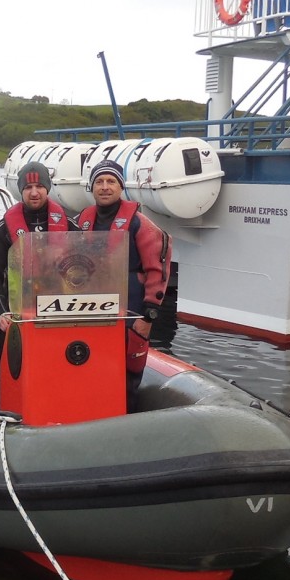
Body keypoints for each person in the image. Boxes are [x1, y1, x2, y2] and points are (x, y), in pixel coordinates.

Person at [78, 159, 172, 409]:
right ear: (92, 187)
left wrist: (148, 316)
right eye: (99, 181)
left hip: (131, 311)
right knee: (92, 365)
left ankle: (125, 417)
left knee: (129, 371)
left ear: (121, 187)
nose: (105, 187)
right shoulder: (81, 222)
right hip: (91, 311)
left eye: (111, 181)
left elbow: (157, 270)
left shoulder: (139, 224)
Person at [0, 161, 76, 361]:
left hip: (58, 311)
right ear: (20, 191)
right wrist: (0, 312)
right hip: (14, 313)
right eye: (28, 188)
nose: (34, 193)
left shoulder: (71, 227)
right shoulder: (0, 232)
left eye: (40, 186)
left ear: (48, 188)